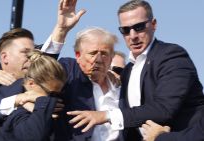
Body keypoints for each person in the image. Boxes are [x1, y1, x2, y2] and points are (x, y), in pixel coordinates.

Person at [67, 0, 204, 141]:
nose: (133, 36)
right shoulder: (127, 72)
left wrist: (105, 115)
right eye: (125, 30)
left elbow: (164, 109)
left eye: (139, 27)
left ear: (154, 24)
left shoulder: (171, 56)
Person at [0, 0, 85, 140]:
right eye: (25, 52)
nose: (31, 57)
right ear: (5, 57)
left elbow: (43, 61)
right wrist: (21, 99)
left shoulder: (32, 78)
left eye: (34, 51)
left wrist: (61, 30)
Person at [0, 50, 67, 141]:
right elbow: (33, 136)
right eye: (50, 93)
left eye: (57, 94)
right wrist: (41, 105)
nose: (53, 98)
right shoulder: (12, 106)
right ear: (31, 84)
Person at [51, 27, 123, 141]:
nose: (98, 59)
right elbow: (43, 73)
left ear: (111, 57)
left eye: (104, 54)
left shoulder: (120, 86)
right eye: (93, 53)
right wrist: (60, 30)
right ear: (78, 56)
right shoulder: (70, 70)